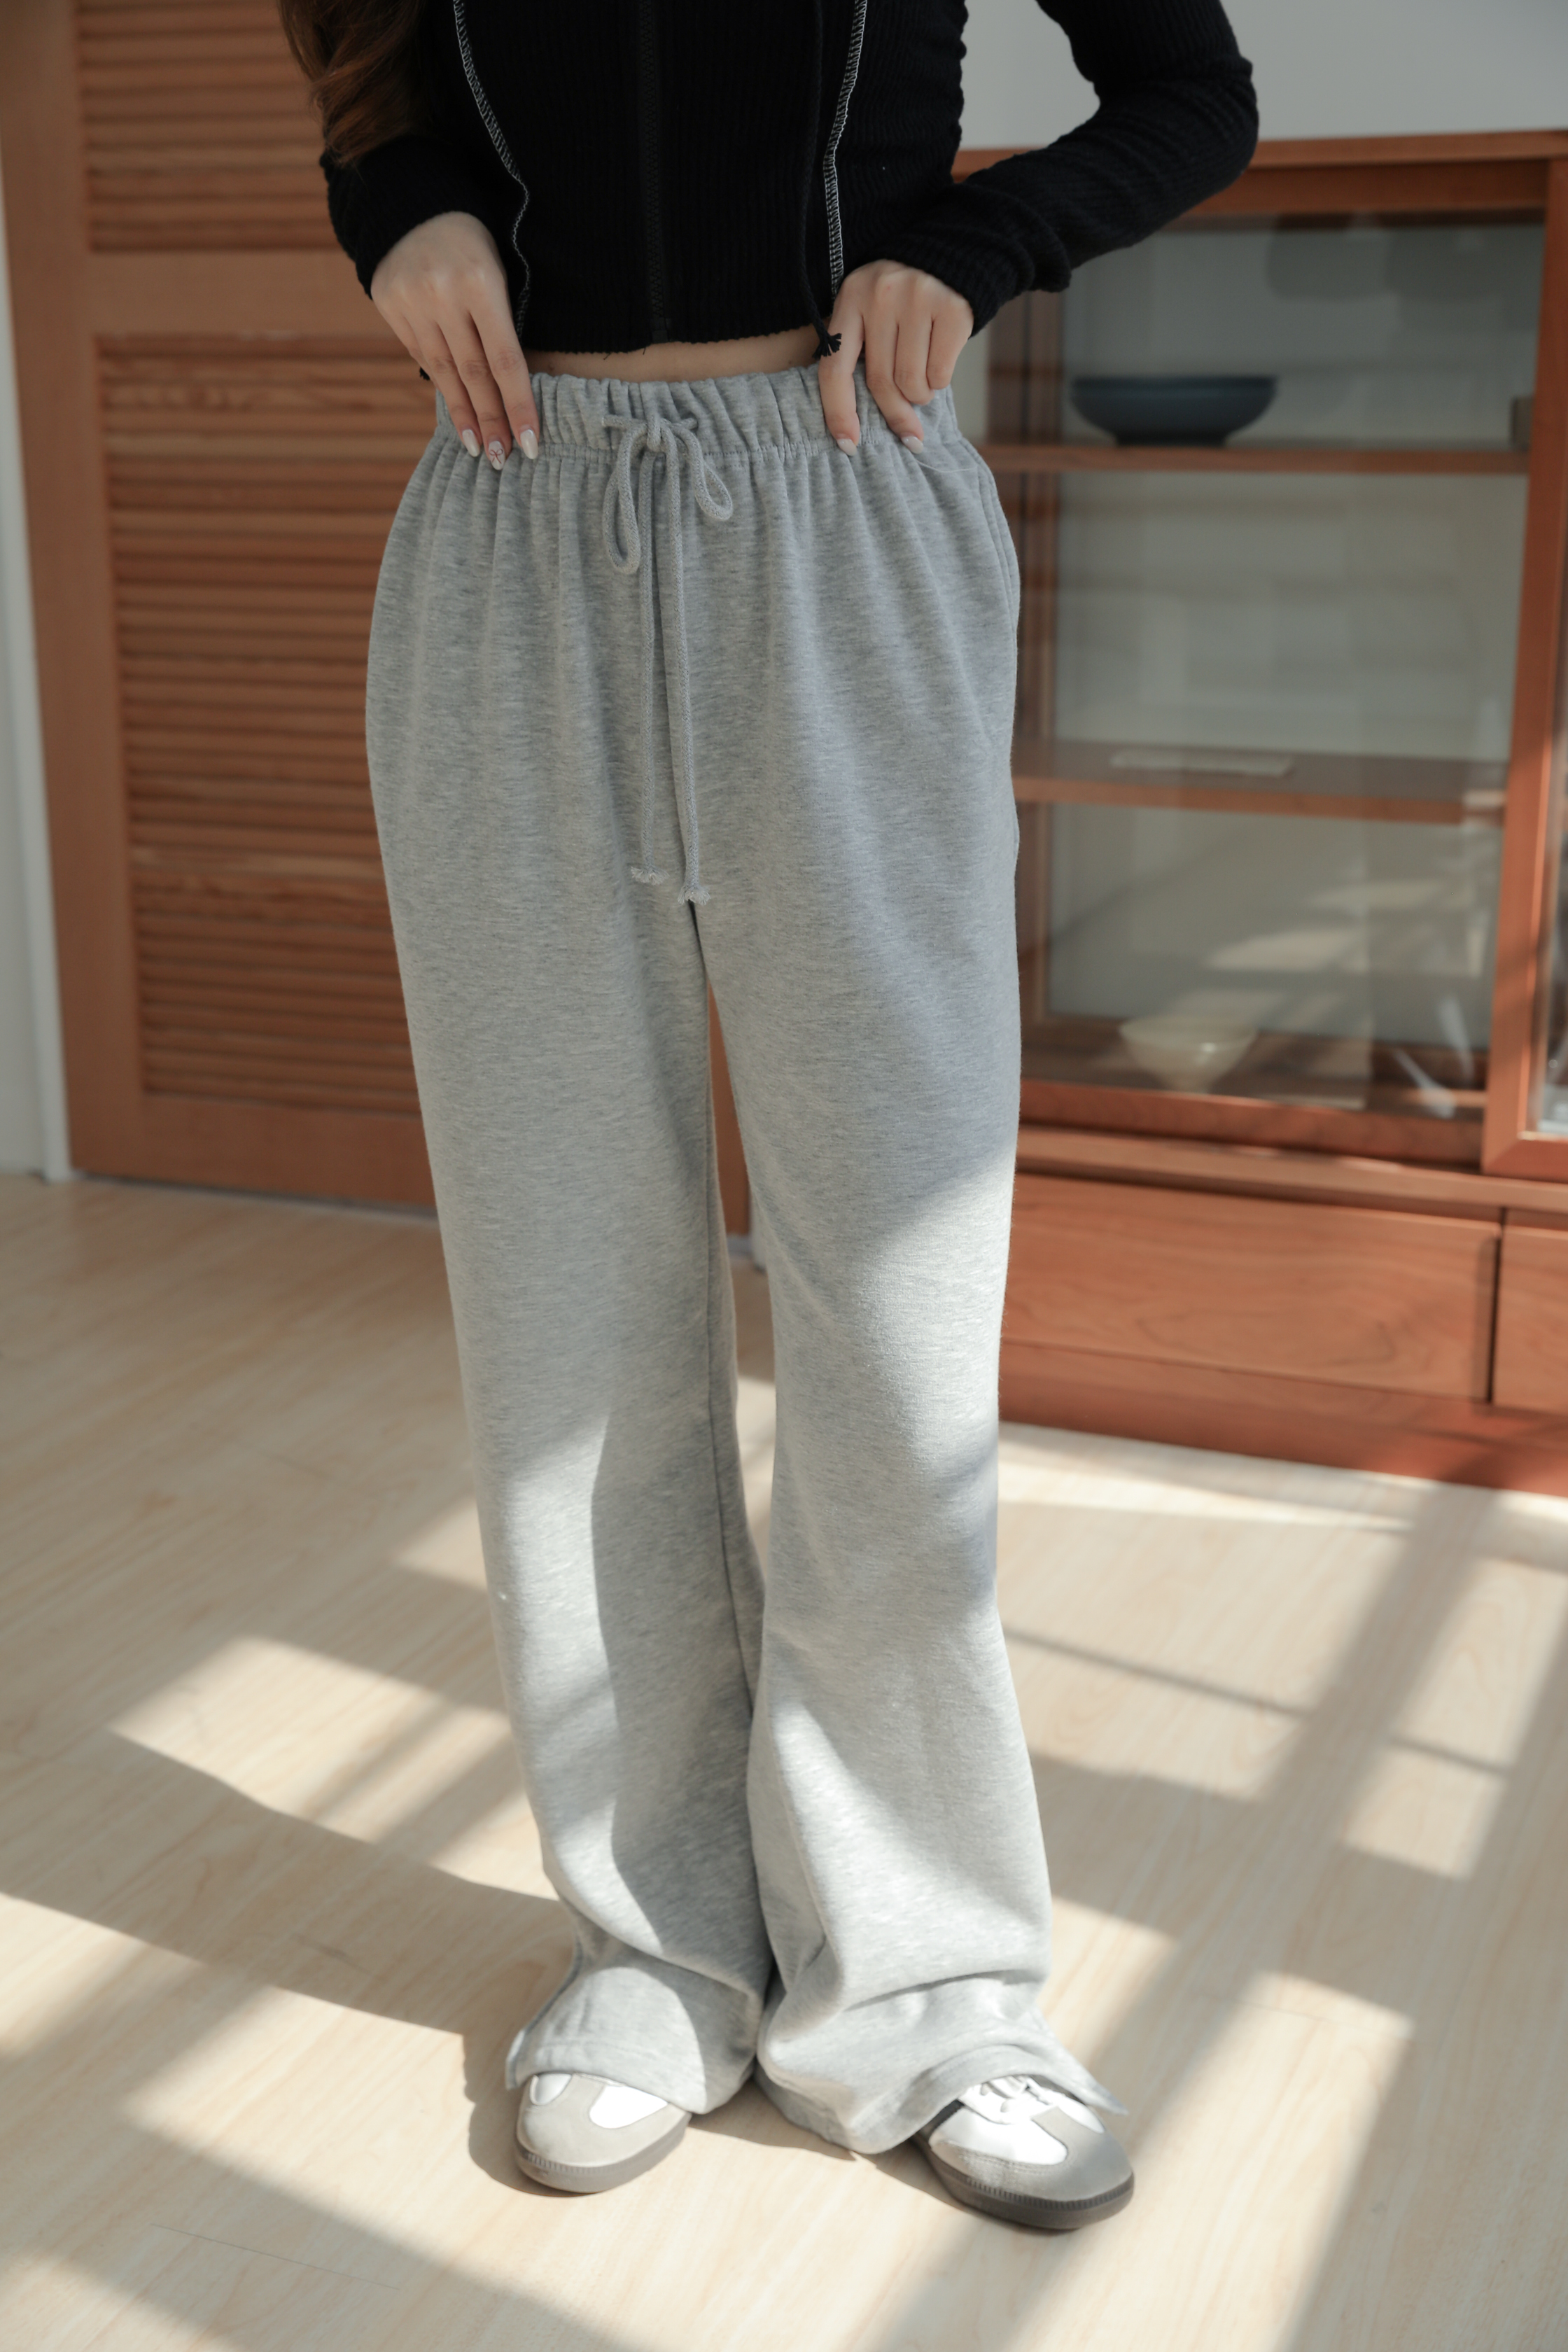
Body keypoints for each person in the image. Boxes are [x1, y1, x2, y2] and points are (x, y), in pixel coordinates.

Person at [281, 0, 1256, 2230]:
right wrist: (398, 207)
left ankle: (931, 1985)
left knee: (895, 1323)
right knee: (566, 1315)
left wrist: (981, 249)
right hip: (511, 526)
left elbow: (1192, 90)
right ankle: (654, 1952)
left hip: (842, 511)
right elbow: (366, 62)